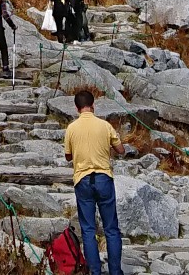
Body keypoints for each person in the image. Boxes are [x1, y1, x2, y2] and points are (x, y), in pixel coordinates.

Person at [65, 88, 125, 275]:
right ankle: (115, 271)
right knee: (111, 229)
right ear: (93, 106)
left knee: (88, 230)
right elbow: (121, 149)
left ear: (77, 108)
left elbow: (68, 156)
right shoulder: (105, 125)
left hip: (82, 179)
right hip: (103, 177)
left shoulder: (71, 128)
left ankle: (94, 271)